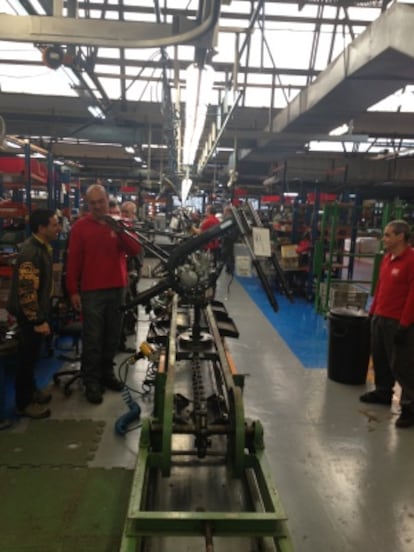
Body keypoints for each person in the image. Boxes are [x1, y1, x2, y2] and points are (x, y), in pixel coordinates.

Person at [65, 184, 142, 404]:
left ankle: (106, 374)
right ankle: (91, 380)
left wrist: (120, 230)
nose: (98, 206)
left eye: (101, 202)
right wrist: (73, 291)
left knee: (112, 336)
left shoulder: (120, 223)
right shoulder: (80, 227)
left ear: (108, 201)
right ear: (88, 204)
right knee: (93, 338)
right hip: (92, 292)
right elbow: (73, 261)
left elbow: (135, 250)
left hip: (117, 289)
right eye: (93, 203)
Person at [360, 220, 414, 428]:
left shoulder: (411, 260)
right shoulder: (387, 258)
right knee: (380, 357)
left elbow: (412, 295)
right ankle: (383, 391)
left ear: (400, 237)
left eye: (388, 235)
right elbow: (381, 286)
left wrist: (405, 324)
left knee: (402, 364)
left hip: (398, 322)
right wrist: (372, 312)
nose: (384, 239)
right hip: (380, 317)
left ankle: (410, 407)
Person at [7, 209, 60, 419]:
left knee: (33, 357)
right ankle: (23, 403)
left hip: (37, 313)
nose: (59, 228)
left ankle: (32, 391)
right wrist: (37, 320)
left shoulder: (41, 247)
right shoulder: (31, 252)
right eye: (54, 224)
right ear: (41, 228)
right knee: (26, 360)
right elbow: (27, 291)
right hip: (30, 316)